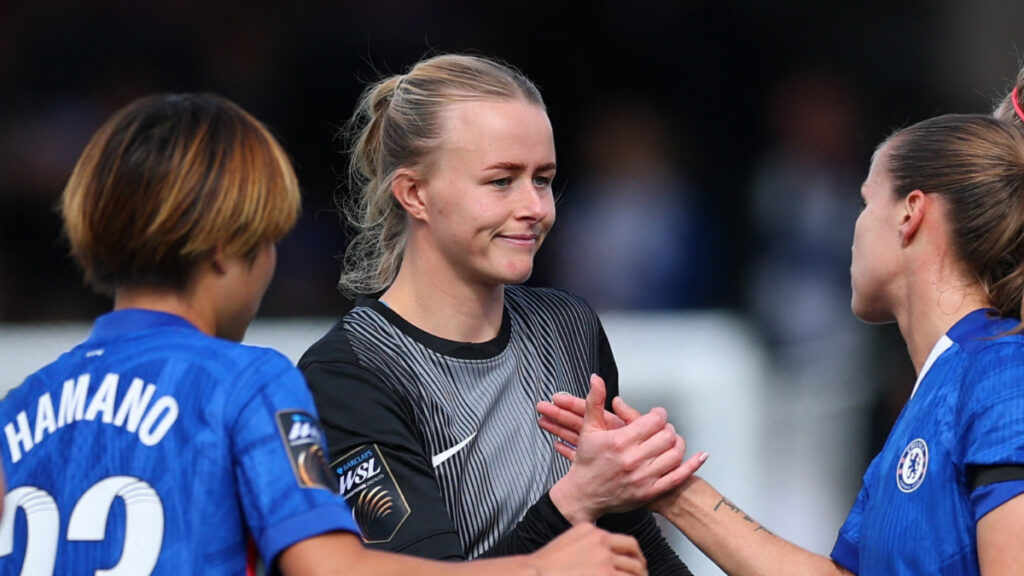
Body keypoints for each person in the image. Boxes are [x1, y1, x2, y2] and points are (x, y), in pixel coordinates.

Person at [0, 92, 649, 576]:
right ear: (229, 248)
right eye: (269, 242)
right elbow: (333, 568)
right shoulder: (249, 383)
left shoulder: (19, 409)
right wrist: (538, 568)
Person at [539, 83, 1024, 574]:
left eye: (865, 202)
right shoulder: (943, 388)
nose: (855, 230)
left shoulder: (1006, 373)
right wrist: (663, 483)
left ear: (909, 213)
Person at [298, 53, 705, 574]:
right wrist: (573, 501)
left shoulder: (568, 327)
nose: (535, 206)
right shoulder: (349, 373)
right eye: (501, 181)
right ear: (414, 193)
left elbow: (629, 535)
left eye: (543, 178)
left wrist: (609, 493)